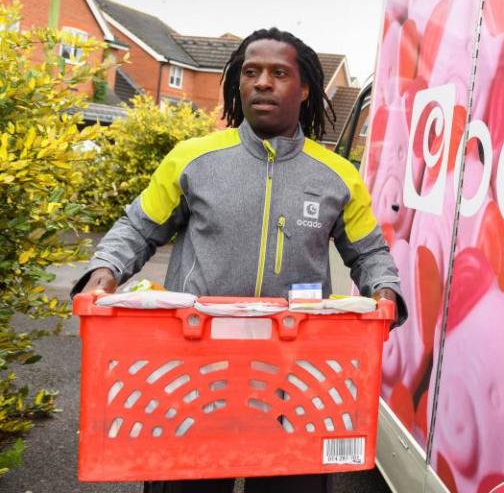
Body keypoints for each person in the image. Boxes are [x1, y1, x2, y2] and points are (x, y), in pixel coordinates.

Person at [73, 27, 406, 493]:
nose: (262, 83)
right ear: (238, 83)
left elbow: (368, 252)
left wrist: (384, 291)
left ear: (305, 87)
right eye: (251, 72)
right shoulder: (193, 159)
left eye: (279, 73)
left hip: (297, 381)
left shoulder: (338, 177)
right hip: (193, 376)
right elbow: (138, 227)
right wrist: (103, 272)